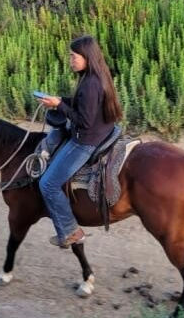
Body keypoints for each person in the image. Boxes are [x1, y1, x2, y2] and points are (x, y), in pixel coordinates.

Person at [37, 35, 123, 248]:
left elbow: (83, 122)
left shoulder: (90, 84)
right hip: (104, 132)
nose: (71, 60)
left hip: (86, 141)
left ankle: (70, 230)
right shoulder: (95, 76)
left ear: (86, 57)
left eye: (74, 56)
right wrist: (60, 100)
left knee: (47, 184)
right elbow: (84, 105)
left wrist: (59, 106)